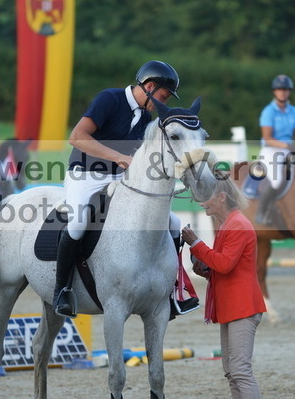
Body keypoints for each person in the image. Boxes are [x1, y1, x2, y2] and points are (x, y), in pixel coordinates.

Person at [53, 60, 196, 318]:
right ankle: (62, 290)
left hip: (120, 178)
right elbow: (77, 137)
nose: (163, 103)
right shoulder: (110, 99)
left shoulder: (146, 117)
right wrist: (118, 157)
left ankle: (171, 292)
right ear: (149, 86)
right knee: (78, 222)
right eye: (163, 96)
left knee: (173, 222)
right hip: (85, 175)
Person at [181, 170, 266, 398]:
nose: (201, 203)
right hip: (233, 306)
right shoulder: (229, 224)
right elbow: (224, 267)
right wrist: (206, 271)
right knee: (232, 372)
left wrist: (196, 244)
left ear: (221, 197)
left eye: (206, 197)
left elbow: (225, 264)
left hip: (242, 307)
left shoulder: (237, 225)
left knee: (240, 371)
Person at [257, 74, 295, 191]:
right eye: (279, 89)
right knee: (277, 181)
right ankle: (264, 203)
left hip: (289, 150)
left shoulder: (294, 111)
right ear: (274, 91)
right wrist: (286, 146)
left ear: (289, 91)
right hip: (271, 150)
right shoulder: (268, 111)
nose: (282, 92)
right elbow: (267, 138)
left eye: (285, 89)